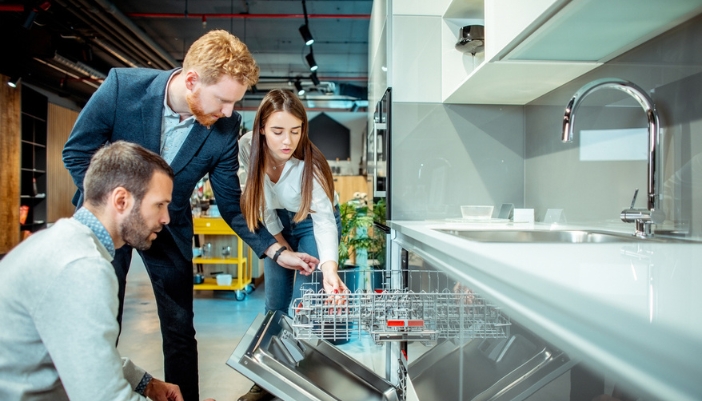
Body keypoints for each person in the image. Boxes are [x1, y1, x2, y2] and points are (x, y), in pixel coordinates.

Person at [62, 30, 318, 401]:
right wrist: (115, 209)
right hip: (109, 222)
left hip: (171, 225)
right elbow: (77, 152)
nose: (229, 113)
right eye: (223, 100)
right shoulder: (122, 87)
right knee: (103, 317)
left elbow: (231, 203)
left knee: (180, 328)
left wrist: (277, 251)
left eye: (235, 103)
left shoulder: (225, 128)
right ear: (193, 80)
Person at [0, 141, 182, 401]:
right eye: (159, 205)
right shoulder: (82, 268)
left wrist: (145, 383)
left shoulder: (64, 242)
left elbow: (80, 347)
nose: (166, 218)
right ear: (121, 200)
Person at [237, 89, 348, 401]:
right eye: (277, 131)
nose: (287, 141)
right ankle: (266, 378)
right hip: (275, 221)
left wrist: (329, 270)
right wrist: (282, 248)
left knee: (304, 304)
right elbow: (258, 204)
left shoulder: (310, 164)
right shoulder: (247, 147)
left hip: (313, 221)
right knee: (275, 302)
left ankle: (298, 378)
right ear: (261, 128)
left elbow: (324, 220)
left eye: (295, 131)